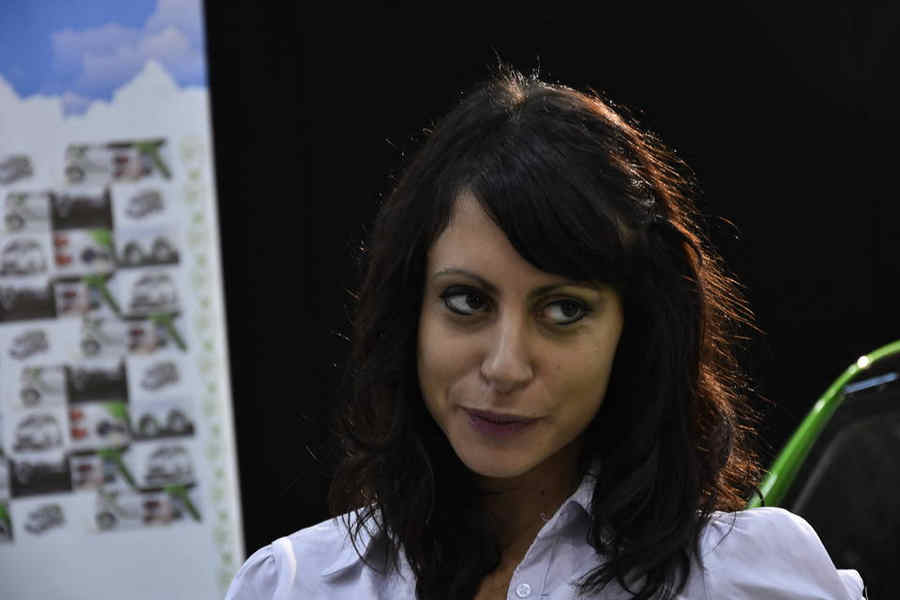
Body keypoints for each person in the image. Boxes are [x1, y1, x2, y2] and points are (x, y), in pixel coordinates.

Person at [226, 65, 865, 599]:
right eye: (467, 301)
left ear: (635, 331)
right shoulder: (294, 585)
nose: (506, 365)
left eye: (563, 311)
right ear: (409, 313)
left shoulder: (746, 580)